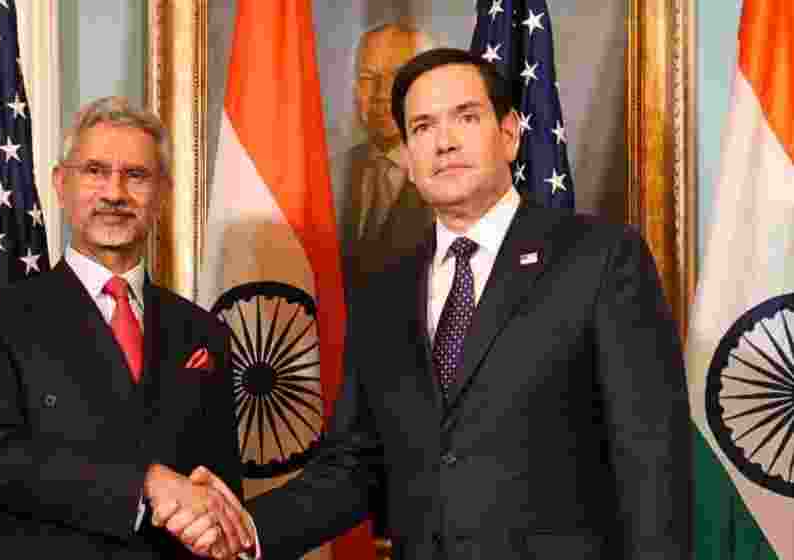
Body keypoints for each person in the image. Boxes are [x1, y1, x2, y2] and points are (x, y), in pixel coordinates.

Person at [169, 48, 691, 559]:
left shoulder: (599, 259)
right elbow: (357, 465)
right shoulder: (384, 292)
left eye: (465, 117)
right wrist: (245, 528)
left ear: (508, 135)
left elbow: (651, 460)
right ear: (410, 158)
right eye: (422, 127)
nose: (443, 142)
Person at [0, 96, 251, 559]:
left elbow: (218, 488)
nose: (114, 192)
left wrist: (220, 530)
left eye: (136, 175)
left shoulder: (203, 332)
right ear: (60, 183)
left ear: (163, 193)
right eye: (94, 171)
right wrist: (145, 482)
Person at [339, 23, 435, 290]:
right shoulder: (331, 173)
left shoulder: (457, 173)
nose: (381, 93)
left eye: (397, 77)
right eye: (368, 78)